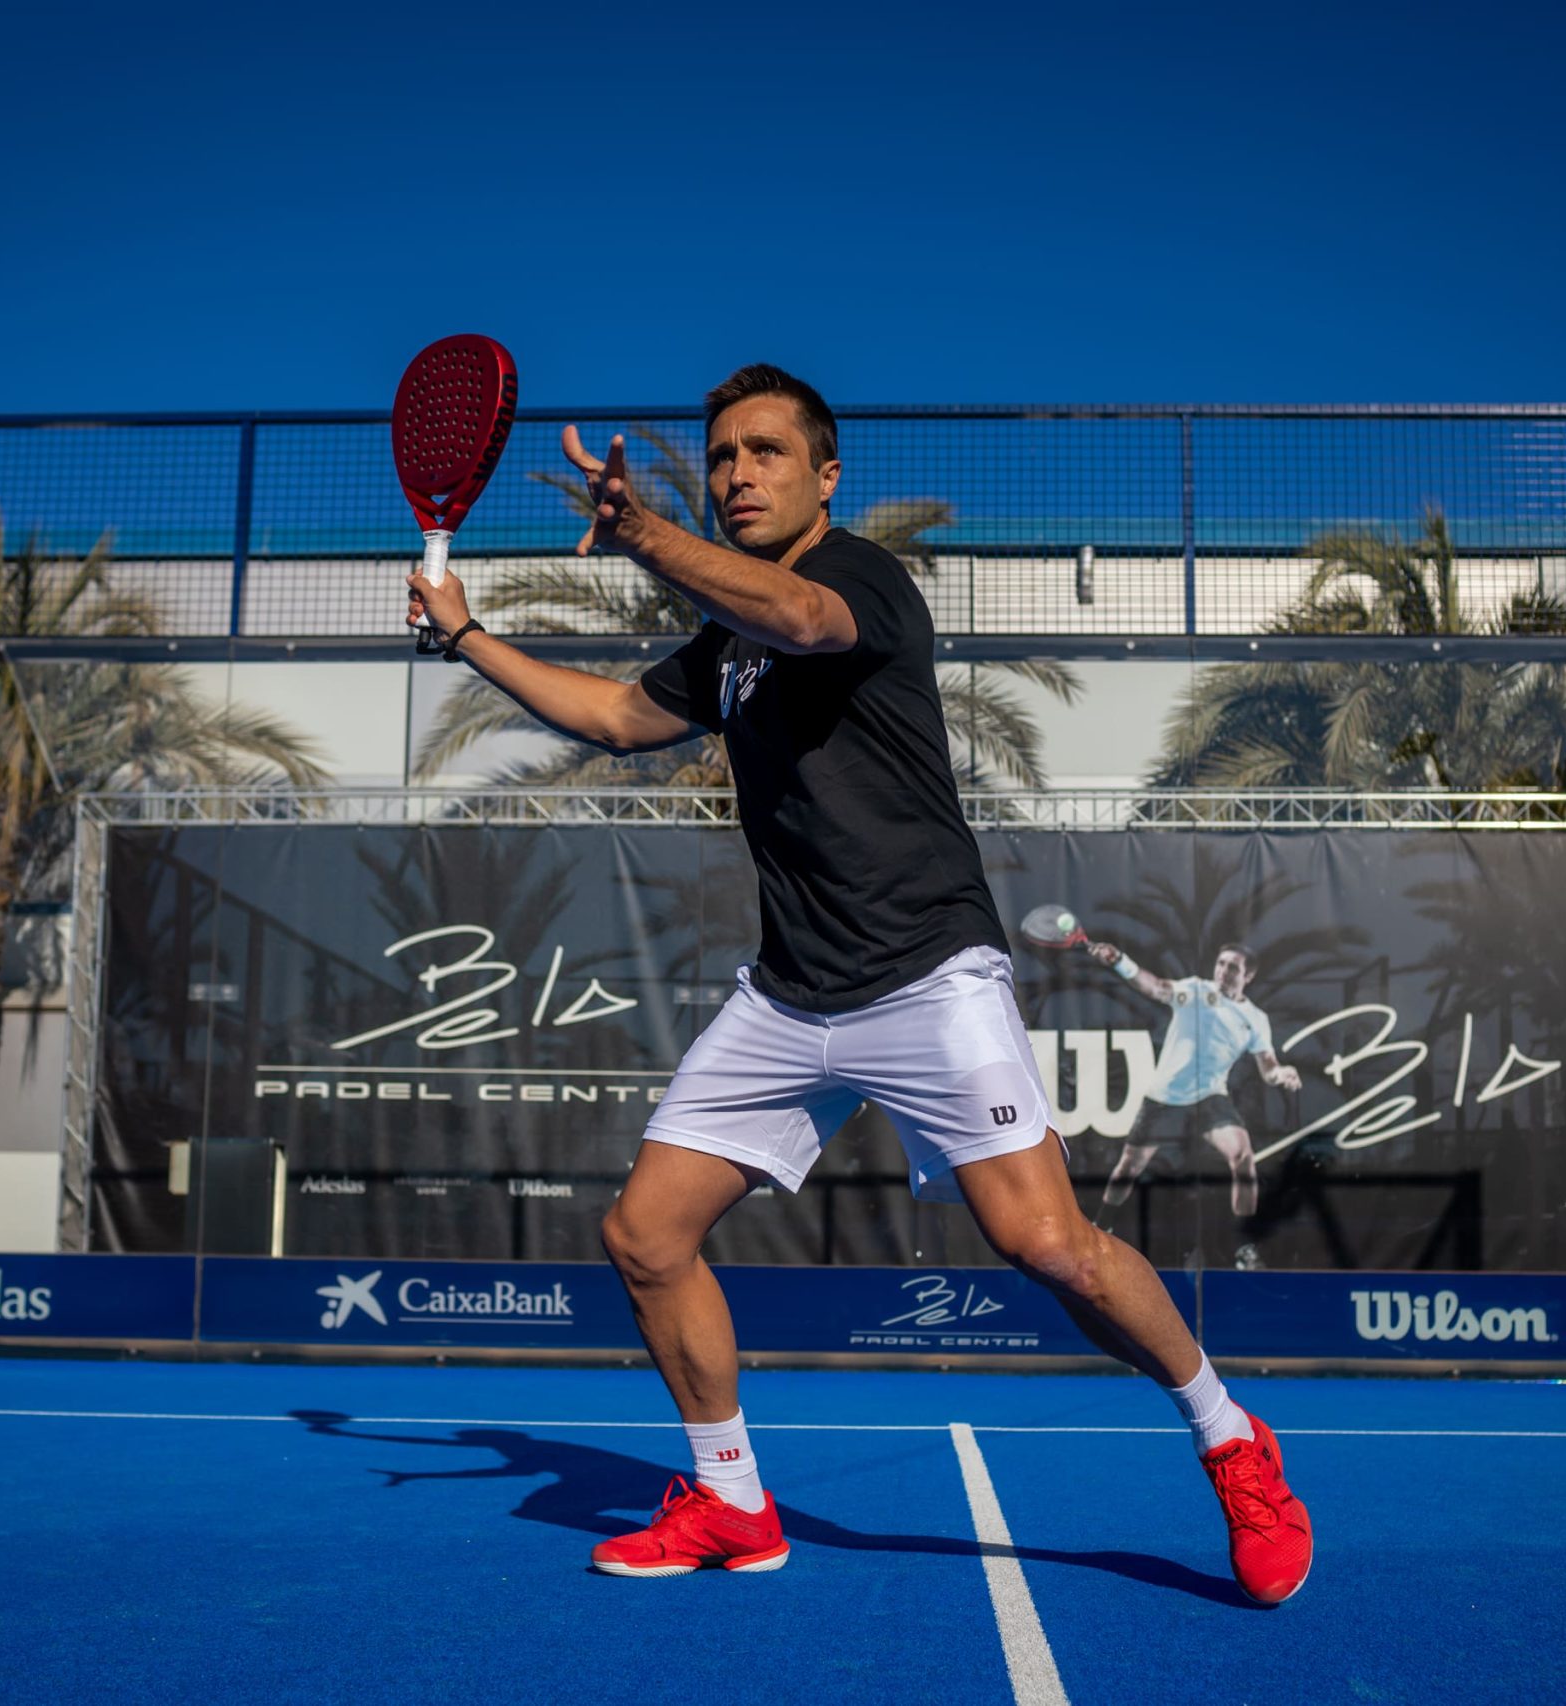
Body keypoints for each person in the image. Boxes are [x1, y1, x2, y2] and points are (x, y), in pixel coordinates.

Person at [404, 365, 1311, 1603]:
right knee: (645, 1234)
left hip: (926, 974)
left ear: (826, 476)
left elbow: (805, 622)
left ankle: (1228, 1435)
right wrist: (463, 632)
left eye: (765, 453)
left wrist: (646, 535)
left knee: (1047, 1244)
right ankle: (731, 1500)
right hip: (790, 991)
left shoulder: (863, 582)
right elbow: (619, 715)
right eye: (721, 456)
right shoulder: (727, 645)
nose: (737, 475)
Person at [1088, 941, 1301, 1237]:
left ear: (1248, 976)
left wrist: (1282, 1074)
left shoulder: (1256, 1020)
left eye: (1233, 967)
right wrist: (1120, 960)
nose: (1224, 971)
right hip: (1164, 1097)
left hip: (1209, 1097)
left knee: (1243, 1156)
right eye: (1221, 963)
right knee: (1128, 1168)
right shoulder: (1196, 991)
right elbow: (1155, 987)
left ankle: (1245, 1244)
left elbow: (1269, 1068)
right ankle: (1101, 1226)